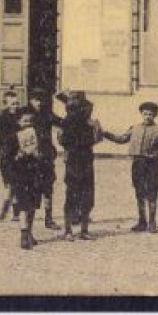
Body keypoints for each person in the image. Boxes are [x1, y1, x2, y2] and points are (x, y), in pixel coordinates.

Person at [102, 100, 158, 233]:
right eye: (145, 114)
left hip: (152, 164)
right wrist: (105, 134)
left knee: (152, 193)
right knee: (139, 193)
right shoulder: (134, 128)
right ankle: (142, 221)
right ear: (141, 114)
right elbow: (121, 139)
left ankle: (152, 222)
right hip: (137, 164)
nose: (147, 117)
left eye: (150, 114)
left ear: (155, 115)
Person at [56, 90, 104, 240]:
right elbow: (64, 141)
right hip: (75, 161)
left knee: (85, 196)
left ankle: (81, 230)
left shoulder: (85, 122)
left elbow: (96, 139)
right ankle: (70, 230)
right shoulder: (69, 122)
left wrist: (96, 128)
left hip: (84, 160)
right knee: (74, 195)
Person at [10, 106, 48, 249]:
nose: (28, 124)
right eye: (25, 121)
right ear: (18, 122)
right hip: (21, 175)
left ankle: (29, 232)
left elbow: (47, 152)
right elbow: (7, 157)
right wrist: (17, 156)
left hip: (35, 174)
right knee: (24, 206)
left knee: (33, 206)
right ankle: (24, 235)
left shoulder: (38, 136)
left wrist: (40, 155)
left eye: (31, 121)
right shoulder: (13, 137)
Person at [27, 87, 61, 230]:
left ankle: (49, 218)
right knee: (32, 190)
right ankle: (27, 225)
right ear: (30, 100)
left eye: (41, 100)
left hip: (46, 156)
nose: (39, 103)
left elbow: (62, 122)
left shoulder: (47, 115)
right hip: (32, 157)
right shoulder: (26, 115)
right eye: (36, 100)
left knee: (48, 187)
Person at [0, 86, 23, 221]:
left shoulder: (21, 116)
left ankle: (4, 212)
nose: (15, 106)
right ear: (6, 104)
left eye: (16, 103)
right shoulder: (3, 117)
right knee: (10, 184)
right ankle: (15, 212)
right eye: (12, 104)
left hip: (19, 155)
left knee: (13, 184)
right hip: (7, 155)